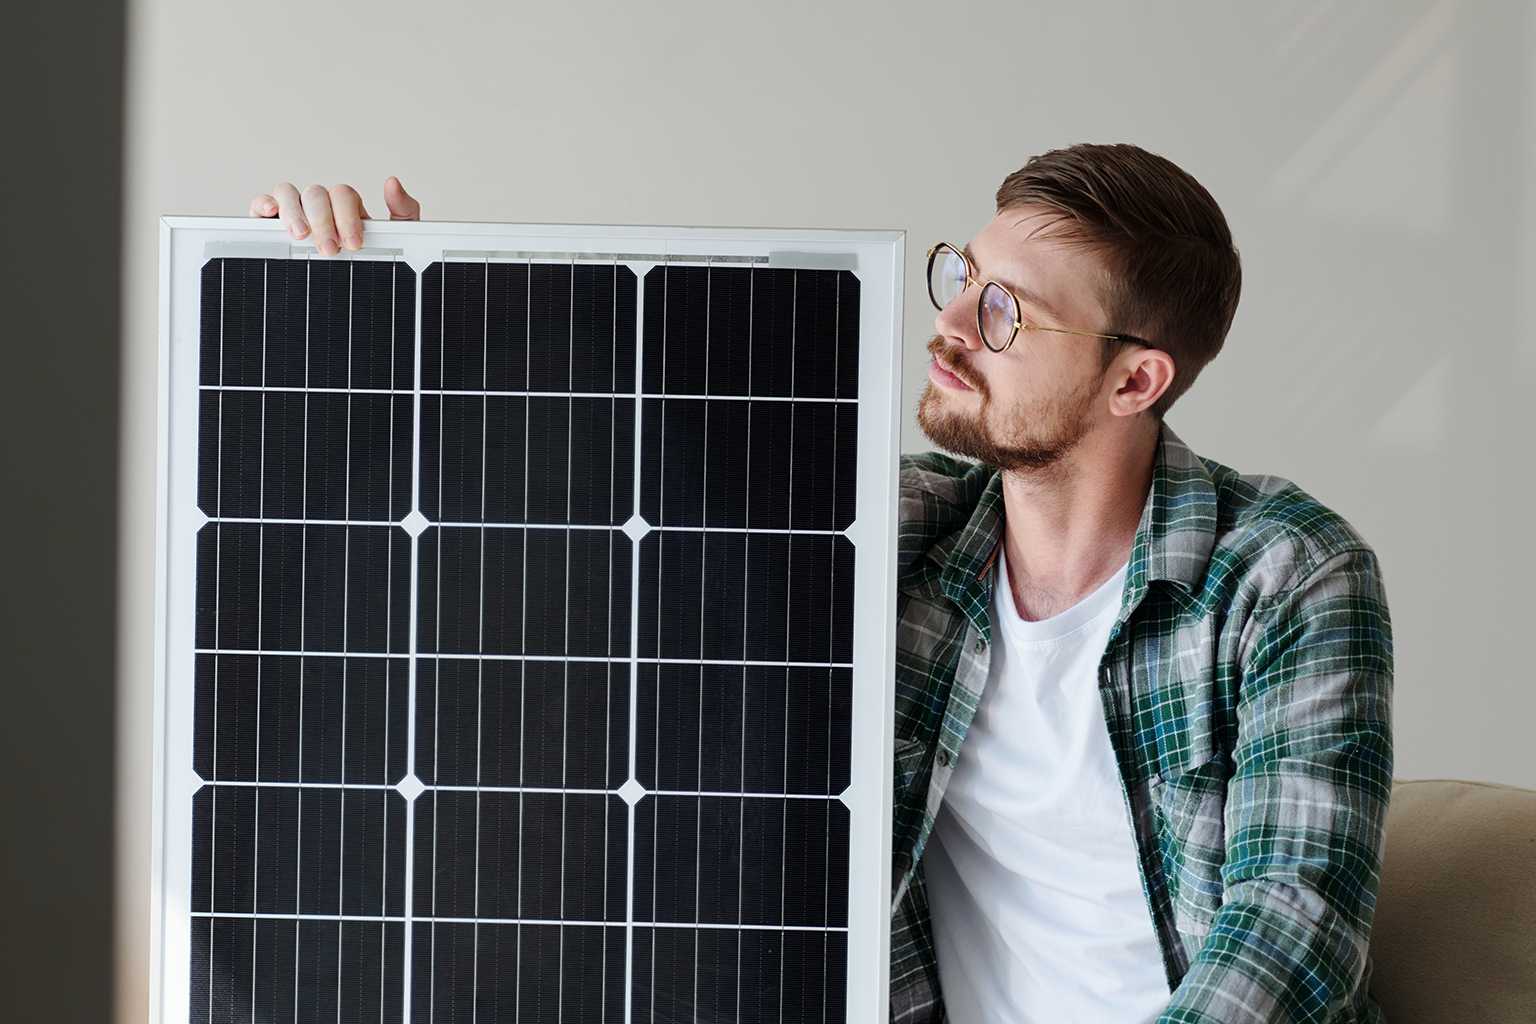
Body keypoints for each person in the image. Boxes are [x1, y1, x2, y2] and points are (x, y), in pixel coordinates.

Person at [253, 144, 1393, 1024]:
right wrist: (400, 304)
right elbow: (595, 511)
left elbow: (1291, 938)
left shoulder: (1284, 573)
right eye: (965, 276)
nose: (950, 324)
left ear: (1134, 379)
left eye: (1005, 312)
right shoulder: (892, 542)